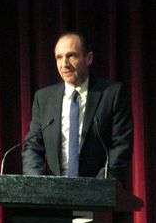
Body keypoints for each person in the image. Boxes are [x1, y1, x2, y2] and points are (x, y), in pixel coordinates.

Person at [22, 32, 133, 185]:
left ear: (89, 58)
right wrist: (37, 184)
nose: (64, 64)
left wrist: (97, 187)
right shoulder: (44, 98)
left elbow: (121, 146)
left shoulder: (112, 95)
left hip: (99, 196)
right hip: (53, 198)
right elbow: (33, 147)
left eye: (71, 56)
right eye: (59, 57)